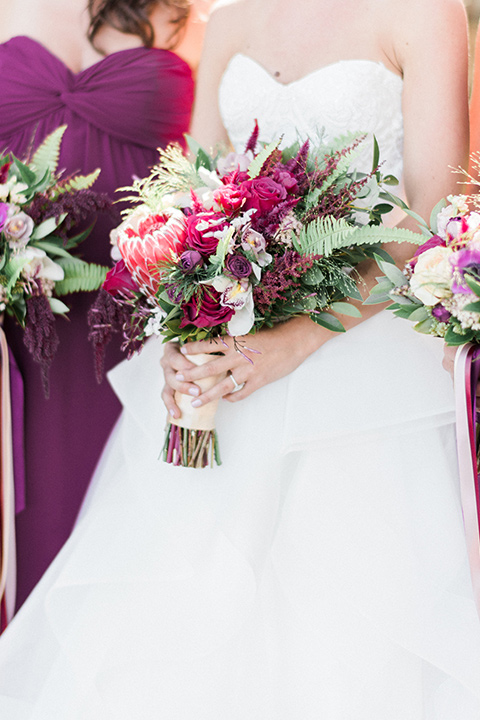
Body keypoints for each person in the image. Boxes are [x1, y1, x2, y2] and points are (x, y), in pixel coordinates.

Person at [1, 0, 480, 717]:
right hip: (230, 364)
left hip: (364, 370)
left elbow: (426, 221)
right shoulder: (229, 20)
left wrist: (296, 341)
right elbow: (186, 202)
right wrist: (176, 332)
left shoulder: (422, 12)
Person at [0, 0, 194, 611]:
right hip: (19, 330)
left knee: (139, 547)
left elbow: (225, 147)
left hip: (143, 319)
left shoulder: (195, 11)